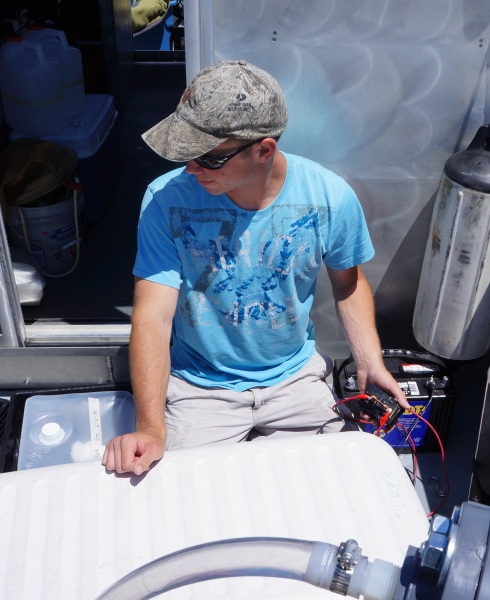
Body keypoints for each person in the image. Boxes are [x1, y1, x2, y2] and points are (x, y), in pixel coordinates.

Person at [102, 60, 407, 476]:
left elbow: (348, 285)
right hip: (200, 387)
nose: (190, 169)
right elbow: (153, 315)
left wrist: (370, 361)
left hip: (295, 381)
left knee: (334, 486)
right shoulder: (163, 199)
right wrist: (151, 428)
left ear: (264, 150)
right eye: (188, 154)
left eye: (208, 158)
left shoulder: (331, 197)